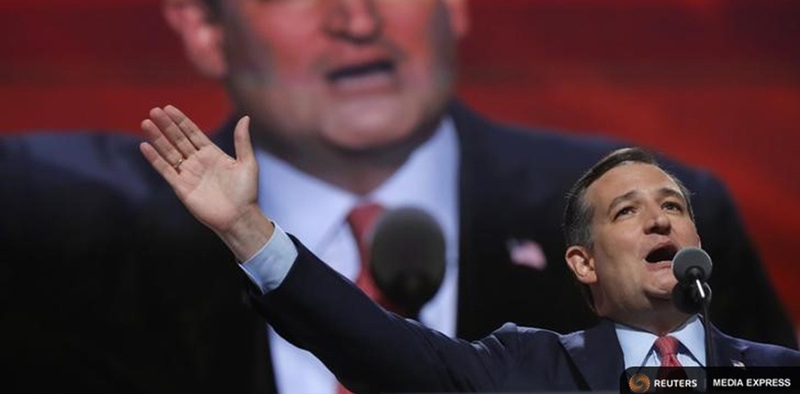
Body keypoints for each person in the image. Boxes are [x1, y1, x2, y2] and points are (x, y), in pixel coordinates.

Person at [0, 0, 795, 392]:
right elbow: (389, 359)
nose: (356, 19)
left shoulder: (760, 363)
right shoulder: (50, 227)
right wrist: (246, 231)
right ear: (204, 27)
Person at [139, 106, 800, 392]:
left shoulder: (775, 374)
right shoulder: (524, 368)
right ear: (584, 263)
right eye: (628, 212)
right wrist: (245, 228)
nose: (660, 221)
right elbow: (373, 345)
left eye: (674, 208)